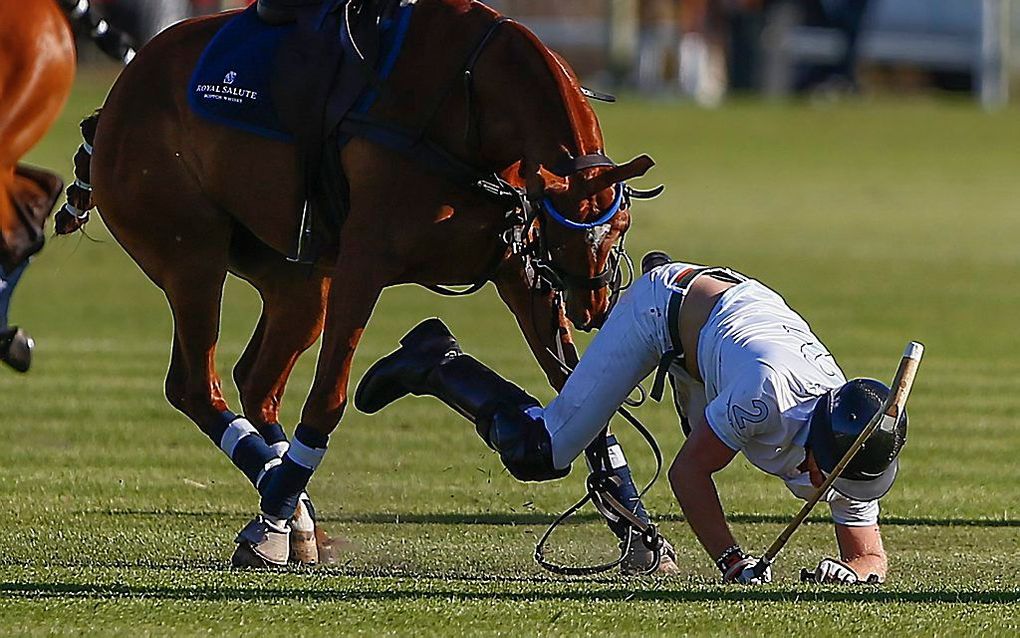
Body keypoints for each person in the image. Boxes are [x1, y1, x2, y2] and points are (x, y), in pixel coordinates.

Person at [355, 251, 907, 583]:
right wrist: (734, 563)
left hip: (722, 334)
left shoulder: (858, 443)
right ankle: (437, 361)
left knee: (704, 424)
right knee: (540, 452)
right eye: (822, 471)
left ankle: (638, 538)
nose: (822, 485)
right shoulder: (765, 397)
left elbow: (869, 555)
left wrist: (852, 578)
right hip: (664, 311)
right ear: (816, 439)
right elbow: (689, 475)